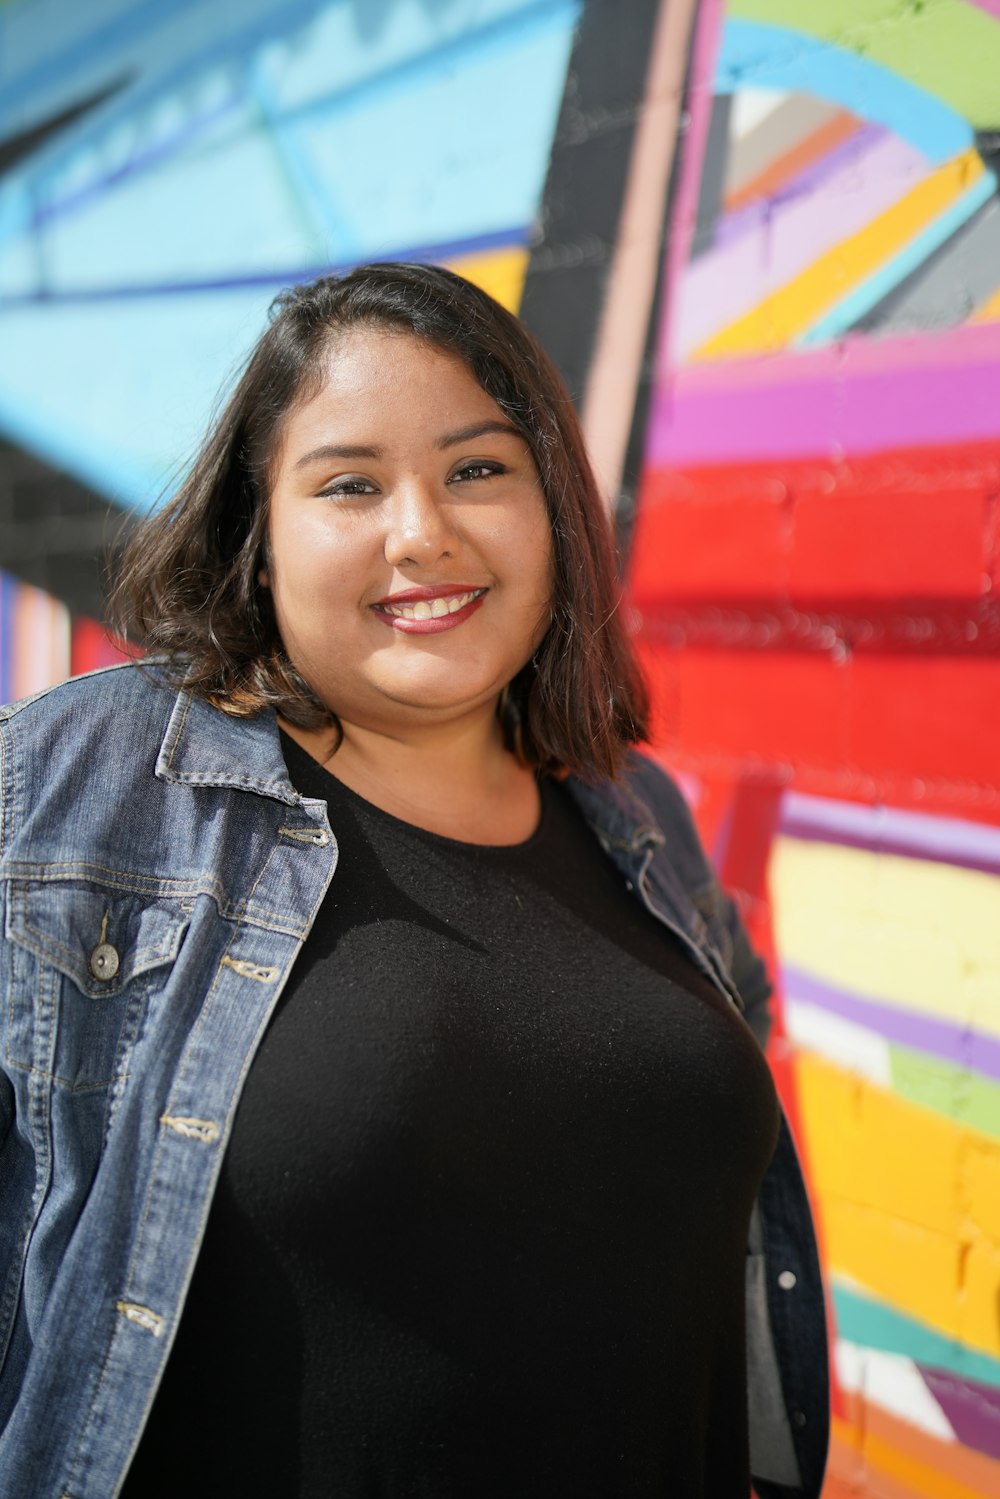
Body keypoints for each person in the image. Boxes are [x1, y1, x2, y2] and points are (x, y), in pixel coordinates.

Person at [0, 263, 828, 1497]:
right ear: (260, 539)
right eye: (348, 484)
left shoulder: (633, 816)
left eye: (478, 469)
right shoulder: (85, 783)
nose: (421, 531)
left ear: (552, 507)